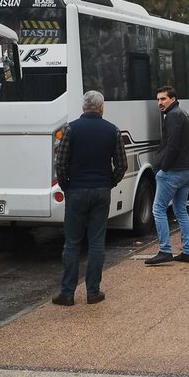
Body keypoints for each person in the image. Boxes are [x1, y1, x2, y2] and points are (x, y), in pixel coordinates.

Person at [52, 90, 128, 305]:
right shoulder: (112, 130)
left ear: (83, 107)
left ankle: (67, 293)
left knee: (72, 243)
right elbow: (122, 164)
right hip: (101, 190)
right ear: (101, 107)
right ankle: (93, 292)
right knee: (96, 242)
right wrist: (110, 181)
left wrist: (66, 185)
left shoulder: (71, 129)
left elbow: (61, 163)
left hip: (76, 190)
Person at [145, 86, 189, 266]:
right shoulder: (182, 113)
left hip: (173, 171)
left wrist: (164, 168)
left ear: (173, 98)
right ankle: (188, 251)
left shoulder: (173, 116)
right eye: (158, 100)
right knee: (181, 210)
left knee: (158, 209)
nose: (160, 103)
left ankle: (165, 250)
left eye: (163, 99)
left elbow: (173, 145)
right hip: (185, 172)